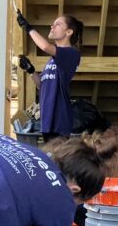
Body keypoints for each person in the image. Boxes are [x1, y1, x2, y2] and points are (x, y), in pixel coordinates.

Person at [16, 11, 83, 140]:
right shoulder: (52, 60)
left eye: (57, 24)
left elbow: (46, 46)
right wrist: (30, 70)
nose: (52, 26)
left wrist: (28, 28)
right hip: (48, 120)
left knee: (57, 159)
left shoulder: (71, 54)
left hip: (59, 119)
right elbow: (42, 85)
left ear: (68, 32)